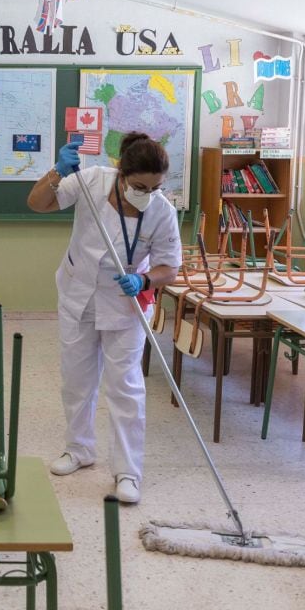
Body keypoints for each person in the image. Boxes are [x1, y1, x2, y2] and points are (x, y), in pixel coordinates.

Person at [27, 132, 181, 504]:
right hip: (77, 292)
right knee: (76, 379)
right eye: (139, 185)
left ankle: (128, 471)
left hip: (124, 302)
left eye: (155, 187)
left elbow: (169, 267)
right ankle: (78, 449)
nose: (146, 193)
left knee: (125, 386)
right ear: (121, 173)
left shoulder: (161, 210)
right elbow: (37, 204)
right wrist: (56, 171)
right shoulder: (91, 179)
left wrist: (144, 278)